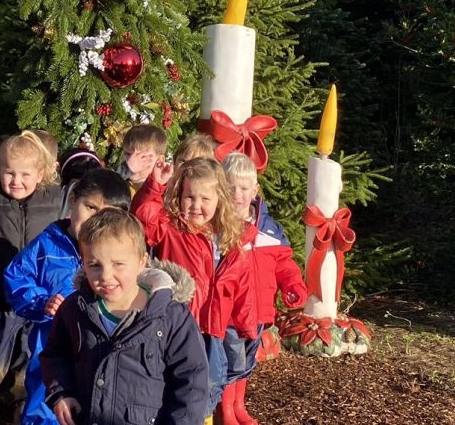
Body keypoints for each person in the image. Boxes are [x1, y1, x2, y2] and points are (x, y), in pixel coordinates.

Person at [40, 208, 209, 425]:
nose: (106, 276)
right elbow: (55, 355)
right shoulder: (75, 309)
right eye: (94, 266)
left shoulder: (171, 317)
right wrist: (62, 393)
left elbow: (192, 381)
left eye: (118, 264)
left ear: (141, 261)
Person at [1, 169, 132, 425]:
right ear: (73, 200)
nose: (96, 219)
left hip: (99, 351)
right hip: (51, 347)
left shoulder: (121, 254)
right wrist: (41, 302)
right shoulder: (47, 246)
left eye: (107, 214)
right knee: (46, 404)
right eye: (90, 207)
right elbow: (16, 277)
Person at [134, 157, 258, 420]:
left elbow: (240, 288)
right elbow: (144, 220)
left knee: (208, 387)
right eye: (189, 197)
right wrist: (155, 186)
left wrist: (246, 325)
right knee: (175, 386)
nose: (196, 206)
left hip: (213, 329)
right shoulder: (171, 229)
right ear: (179, 195)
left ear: (219, 200)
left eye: (205, 199)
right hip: (178, 324)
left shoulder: (230, 239)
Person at [0, 131, 63, 422]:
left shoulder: (55, 200)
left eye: (26, 174)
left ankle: (20, 400)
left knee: (30, 349)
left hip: (37, 291)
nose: (16, 180)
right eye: (9, 172)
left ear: (41, 174)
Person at [218, 153, 306, 425]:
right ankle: (225, 411)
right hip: (231, 314)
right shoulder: (218, 227)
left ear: (255, 191)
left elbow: (284, 263)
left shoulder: (268, 229)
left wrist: (293, 284)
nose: (237, 194)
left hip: (259, 311)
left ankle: (239, 406)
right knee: (231, 363)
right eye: (231, 187)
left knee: (246, 362)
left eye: (244, 188)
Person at [114, 124, 167, 194]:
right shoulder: (117, 185)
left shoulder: (164, 195)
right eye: (128, 154)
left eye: (142, 157)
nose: (132, 161)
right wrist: (125, 170)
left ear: (159, 161)